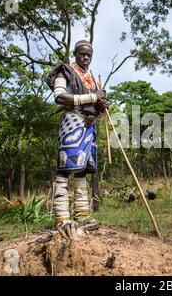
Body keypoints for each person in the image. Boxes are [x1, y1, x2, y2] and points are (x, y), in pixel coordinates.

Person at [46, 40, 108, 238]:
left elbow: (96, 105)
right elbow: (60, 97)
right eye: (82, 54)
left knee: (82, 170)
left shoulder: (92, 79)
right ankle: (62, 218)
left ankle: (82, 215)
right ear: (75, 54)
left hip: (89, 127)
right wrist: (92, 97)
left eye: (89, 54)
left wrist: (100, 105)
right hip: (72, 123)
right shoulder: (65, 71)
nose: (86, 57)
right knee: (65, 167)